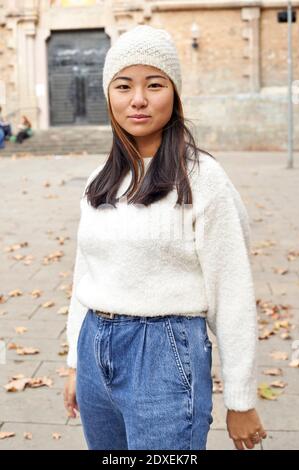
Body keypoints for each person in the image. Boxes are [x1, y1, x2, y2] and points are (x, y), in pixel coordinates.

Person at [64, 25, 267, 451]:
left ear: (173, 94)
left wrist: (241, 398)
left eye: (154, 84)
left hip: (164, 355)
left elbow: (231, 291)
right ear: (109, 96)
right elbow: (86, 274)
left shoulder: (203, 179)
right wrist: (74, 363)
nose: (138, 99)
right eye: (123, 86)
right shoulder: (98, 181)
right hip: (94, 351)